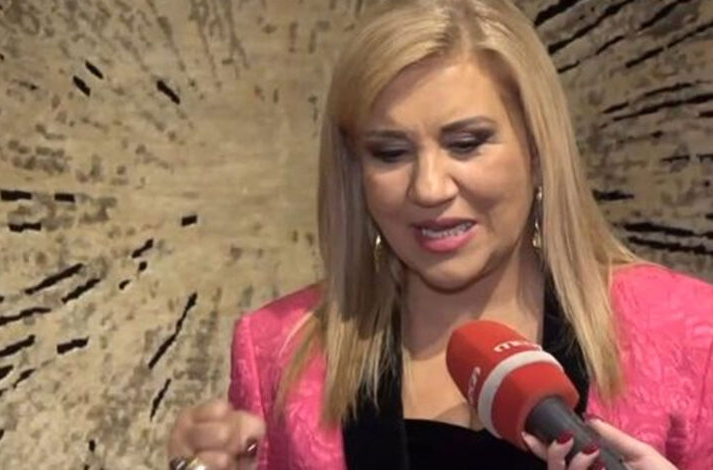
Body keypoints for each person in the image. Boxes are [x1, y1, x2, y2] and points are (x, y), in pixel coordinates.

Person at [167, 0, 713, 469]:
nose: (428, 188)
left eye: (466, 143)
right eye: (390, 152)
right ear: (355, 170)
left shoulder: (688, 334)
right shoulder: (276, 352)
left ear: (537, 149)